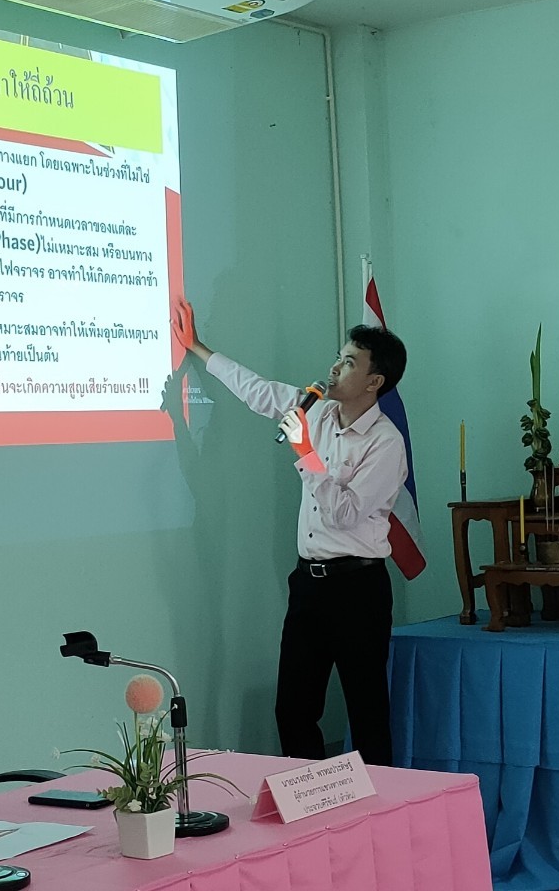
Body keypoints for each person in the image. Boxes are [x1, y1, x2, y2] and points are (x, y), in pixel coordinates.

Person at [171, 298, 408, 767]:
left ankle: (379, 804)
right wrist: (198, 348)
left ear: (374, 381)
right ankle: (313, 799)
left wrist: (305, 453)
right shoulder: (315, 411)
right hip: (308, 585)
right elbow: (256, 390)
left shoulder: (386, 443)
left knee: (366, 711)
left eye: (349, 362)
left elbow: (345, 514)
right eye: (339, 357)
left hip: (359, 588)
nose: (334, 367)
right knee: (293, 709)